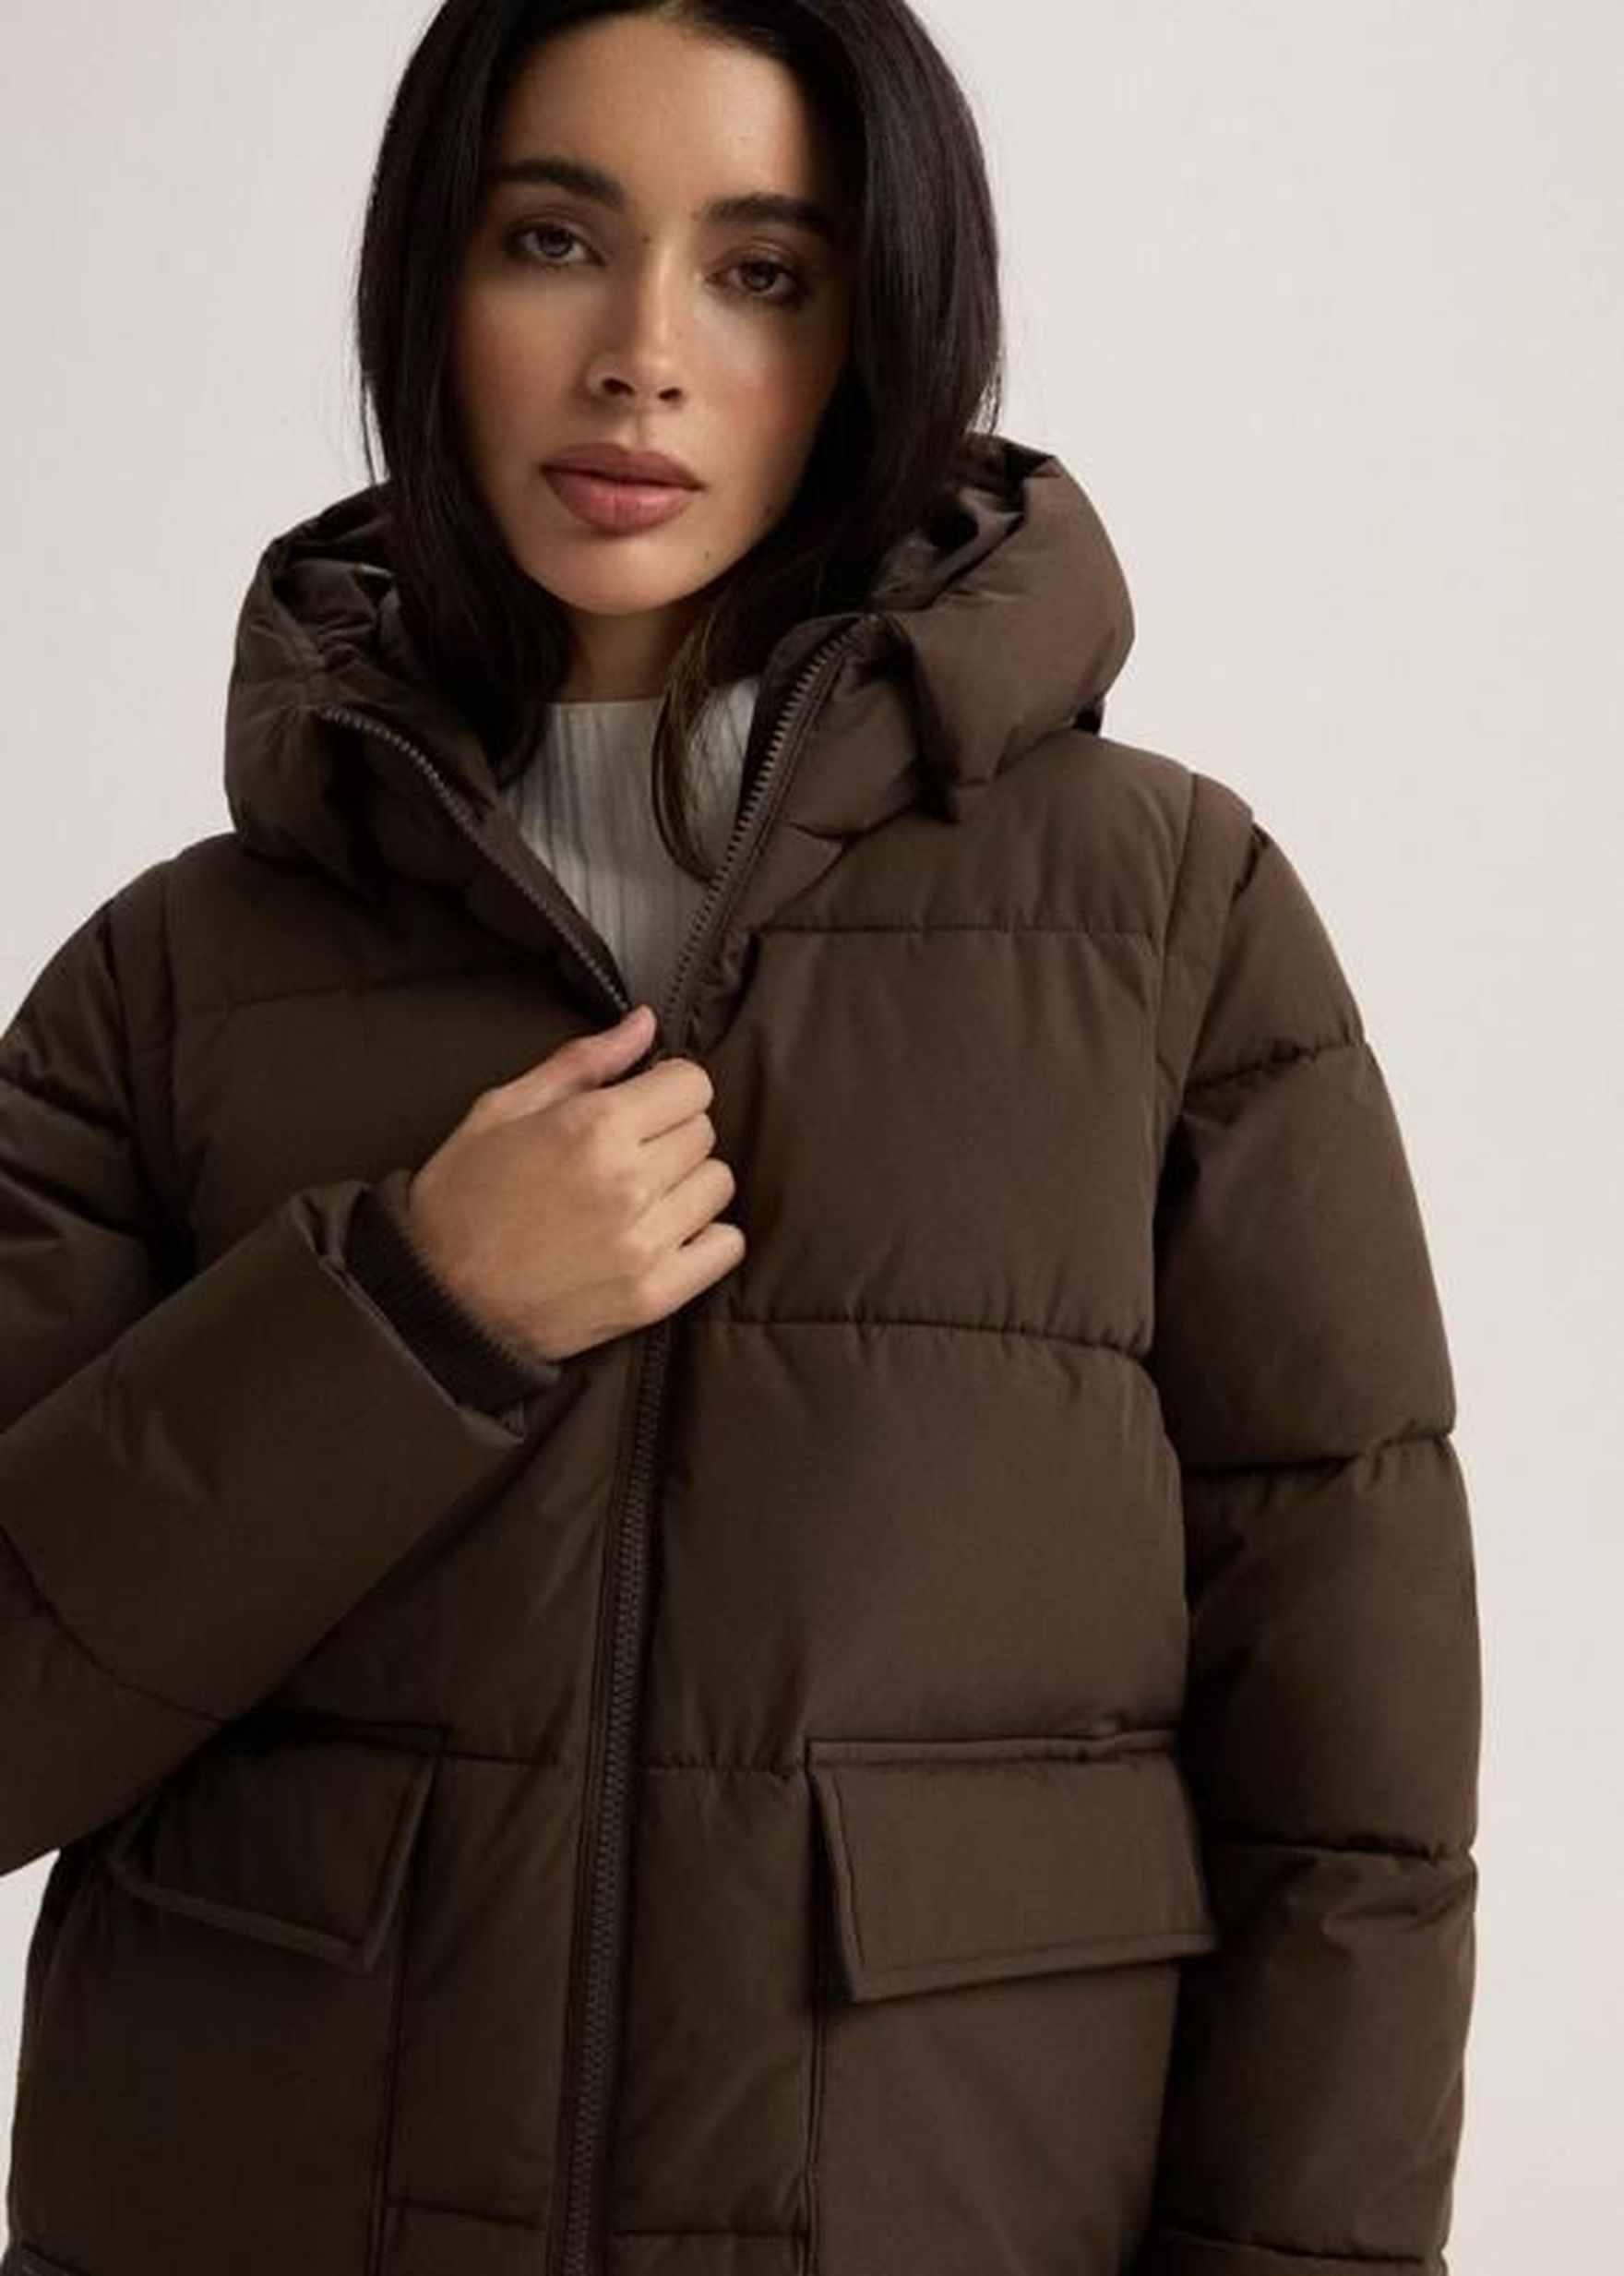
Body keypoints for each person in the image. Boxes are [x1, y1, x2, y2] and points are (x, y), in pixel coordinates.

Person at [0, 4, 1481, 2273]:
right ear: (427, 282)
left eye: (762, 272)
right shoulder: (176, 981)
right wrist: (405, 1318)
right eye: (551, 239)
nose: (641, 357)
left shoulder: (1166, 925)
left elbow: (1350, 1818)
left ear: (881, 332)